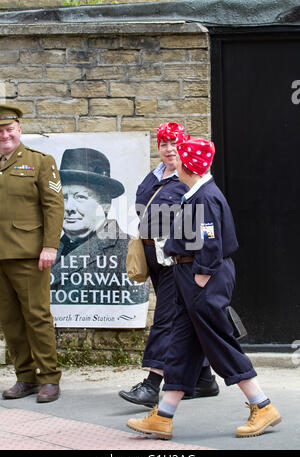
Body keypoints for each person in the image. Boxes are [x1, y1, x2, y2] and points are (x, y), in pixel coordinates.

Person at [126, 136, 281, 438]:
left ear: (189, 167)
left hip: (200, 277)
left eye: (180, 160)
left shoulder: (205, 197)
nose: (175, 164)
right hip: (190, 276)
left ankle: (262, 405)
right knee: (182, 346)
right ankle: (164, 415)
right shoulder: (197, 191)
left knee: (219, 342)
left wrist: (203, 275)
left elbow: (209, 239)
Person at [119, 122, 219, 408]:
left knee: (166, 318)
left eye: (174, 143)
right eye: (164, 143)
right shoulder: (153, 177)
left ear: (184, 145)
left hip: (177, 258)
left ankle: (152, 384)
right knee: (184, 316)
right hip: (154, 256)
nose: (169, 149)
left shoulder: (190, 179)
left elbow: (200, 223)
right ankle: (204, 379)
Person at [0, 104, 64, 403]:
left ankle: (49, 378)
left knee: (37, 317)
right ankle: (25, 377)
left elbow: (54, 206)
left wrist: (50, 246)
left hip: (29, 254)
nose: (5, 135)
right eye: (0, 131)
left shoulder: (40, 162)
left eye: (9, 129)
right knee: (10, 320)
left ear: (19, 130)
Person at [51, 148, 147, 307]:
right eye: (63, 197)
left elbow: (134, 309)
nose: (69, 207)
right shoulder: (48, 246)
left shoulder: (127, 248)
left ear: (106, 204)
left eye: (80, 197)